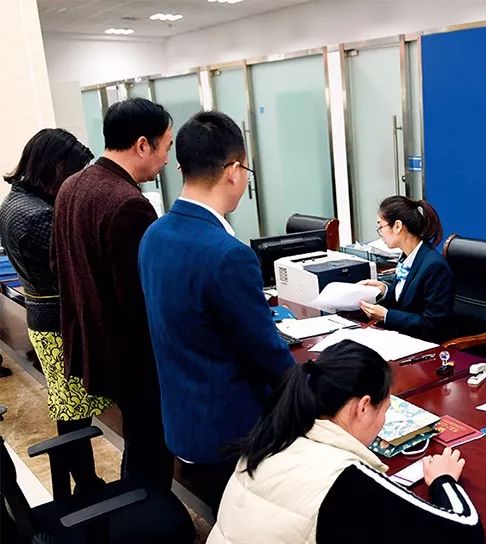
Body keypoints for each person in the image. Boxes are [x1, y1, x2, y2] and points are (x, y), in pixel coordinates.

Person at [200, 340, 485, 544]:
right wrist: (444, 480)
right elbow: (466, 538)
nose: (383, 422)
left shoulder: (269, 439)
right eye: (385, 409)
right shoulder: (346, 481)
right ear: (363, 407)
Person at [139, 111, 295, 512]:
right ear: (234, 171)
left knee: (218, 514)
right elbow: (266, 355)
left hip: (183, 418)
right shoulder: (227, 254)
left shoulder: (154, 235)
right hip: (230, 432)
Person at [51, 97, 174, 488]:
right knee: (149, 445)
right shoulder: (128, 204)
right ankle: (148, 514)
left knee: (138, 440)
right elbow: (138, 300)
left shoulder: (72, 186)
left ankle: (139, 504)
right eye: (166, 146)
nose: (167, 159)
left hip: (93, 342)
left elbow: (58, 265)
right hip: (131, 355)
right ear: (143, 144)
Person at [0, 129, 113, 492]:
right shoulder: (36, 217)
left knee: (69, 408)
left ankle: (81, 482)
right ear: (56, 167)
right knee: (73, 412)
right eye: (75, 172)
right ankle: (86, 485)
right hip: (57, 323)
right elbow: (73, 270)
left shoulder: (16, 202)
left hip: (46, 317)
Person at [357, 196, 454, 342]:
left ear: (397, 226)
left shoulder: (434, 266)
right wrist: (384, 290)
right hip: (402, 337)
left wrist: (387, 316)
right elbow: (404, 300)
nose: (380, 234)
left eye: (380, 227)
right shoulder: (406, 257)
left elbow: (433, 325)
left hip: (423, 344)